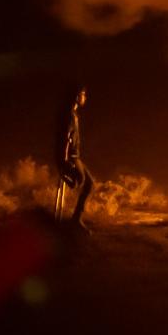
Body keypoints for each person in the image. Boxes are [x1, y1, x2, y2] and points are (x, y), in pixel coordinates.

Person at [56, 87, 94, 232]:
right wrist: (64, 160)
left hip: (75, 156)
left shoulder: (73, 114)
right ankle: (66, 175)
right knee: (80, 180)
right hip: (70, 157)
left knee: (90, 184)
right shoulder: (69, 116)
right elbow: (66, 138)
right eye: (83, 94)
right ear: (77, 96)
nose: (85, 97)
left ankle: (76, 219)